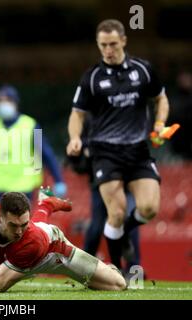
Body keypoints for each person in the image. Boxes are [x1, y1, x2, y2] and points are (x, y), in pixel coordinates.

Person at [66, 19, 170, 271]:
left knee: (149, 208)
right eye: (103, 45)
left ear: (123, 41)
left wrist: (159, 123)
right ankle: (117, 270)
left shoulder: (143, 70)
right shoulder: (91, 77)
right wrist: (75, 138)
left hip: (137, 151)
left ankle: (124, 233)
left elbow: (161, 99)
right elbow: (77, 114)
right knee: (116, 212)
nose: (108, 50)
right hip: (105, 152)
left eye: (113, 44)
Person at [0, 191, 126, 292]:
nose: (19, 231)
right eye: (13, 225)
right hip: (34, 236)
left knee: (118, 285)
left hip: (53, 251)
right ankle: (46, 204)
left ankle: (45, 206)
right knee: (36, 227)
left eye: (23, 224)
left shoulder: (29, 241)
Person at [66, 114, 141, 274]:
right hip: (100, 181)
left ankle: (134, 269)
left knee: (129, 222)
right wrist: (84, 148)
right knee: (97, 226)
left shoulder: (129, 115)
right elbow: (76, 146)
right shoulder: (89, 117)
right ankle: (85, 267)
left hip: (126, 181)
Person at [0, 85, 67, 202]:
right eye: (0, 101)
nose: (3, 104)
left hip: (23, 187)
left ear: (15, 103)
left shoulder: (32, 124)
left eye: (7, 100)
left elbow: (46, 153)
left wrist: (59, 180)